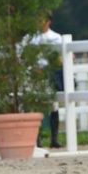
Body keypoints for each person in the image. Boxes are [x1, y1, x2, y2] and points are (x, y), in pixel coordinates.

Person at [29, 13, 63, 149]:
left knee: (53, 106)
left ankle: (54, 138)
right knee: (37, 106)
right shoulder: (31, 38)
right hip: (36, 73)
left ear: (48, 21)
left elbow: (60, 57)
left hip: (50, 73)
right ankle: (37, 139)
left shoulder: (55, 37)